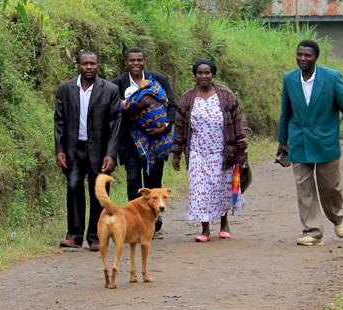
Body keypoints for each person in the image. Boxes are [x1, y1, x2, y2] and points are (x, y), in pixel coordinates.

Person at [277, 40, 343, 246]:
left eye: (307, 55)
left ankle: (337, 217)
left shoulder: (332, 78)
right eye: (299, 54)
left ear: (316, 57)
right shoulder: (289, 79)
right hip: (299, 141)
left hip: (325, 141)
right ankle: (313, 231)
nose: (302, 58)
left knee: (331, 187)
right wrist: (282, 141)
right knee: (303, 188)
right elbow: (286, 113)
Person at [172, 59, 247, 242]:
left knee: (220, 187)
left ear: (213, 74)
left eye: (207, 73)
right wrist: (176, 153)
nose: (203, 76)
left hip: (222, 150)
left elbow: (237, 122)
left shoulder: (226, 95)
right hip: (197, 150)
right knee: (199, 188)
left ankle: (224, 223)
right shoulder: (188, 97)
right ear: (195, 75)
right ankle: (204, 228)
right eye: (200, 73)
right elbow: (180, 126)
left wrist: (241, 149)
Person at [54, 51, 121, 251]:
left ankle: (96, 236)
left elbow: (115, 125)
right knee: (73, 188)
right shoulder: (66, 89)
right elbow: (59, 121)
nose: (89, 67)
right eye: (85, 64)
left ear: (98, 65)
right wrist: (60, 149)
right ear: (79, 65)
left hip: (100, 151)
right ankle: (74, 235)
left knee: (99, 192)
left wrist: (111, 153)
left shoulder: (110, 90)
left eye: (92, 64)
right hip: (74, 149)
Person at [111, 48, 176, 237]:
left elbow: (172, 105)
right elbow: (113, 112)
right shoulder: (117, 85)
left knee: (154, 182)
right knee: (133, 182)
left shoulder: (158, 81)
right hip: (130, 143)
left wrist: (164, 127)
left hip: (156, 141)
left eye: (139, 60)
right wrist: (134, 108)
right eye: (132, 60)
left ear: (144, 61)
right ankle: (135, 223)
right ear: (126, 62)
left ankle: (155, 225)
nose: (136, 63)